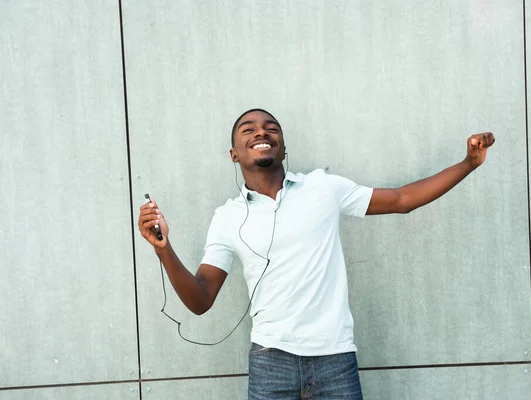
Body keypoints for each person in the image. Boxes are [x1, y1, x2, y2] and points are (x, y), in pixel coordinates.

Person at [138, 108, 495, 399]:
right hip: (270, 362)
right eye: (248, 129)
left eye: (270, 128)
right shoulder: (227, 217)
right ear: (234, 153)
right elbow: (201, 299)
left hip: (334, 359)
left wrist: (467, 163)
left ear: (282, 146)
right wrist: (164, 250)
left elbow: (402, 200)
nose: (261, 132)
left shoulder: (324, 187)